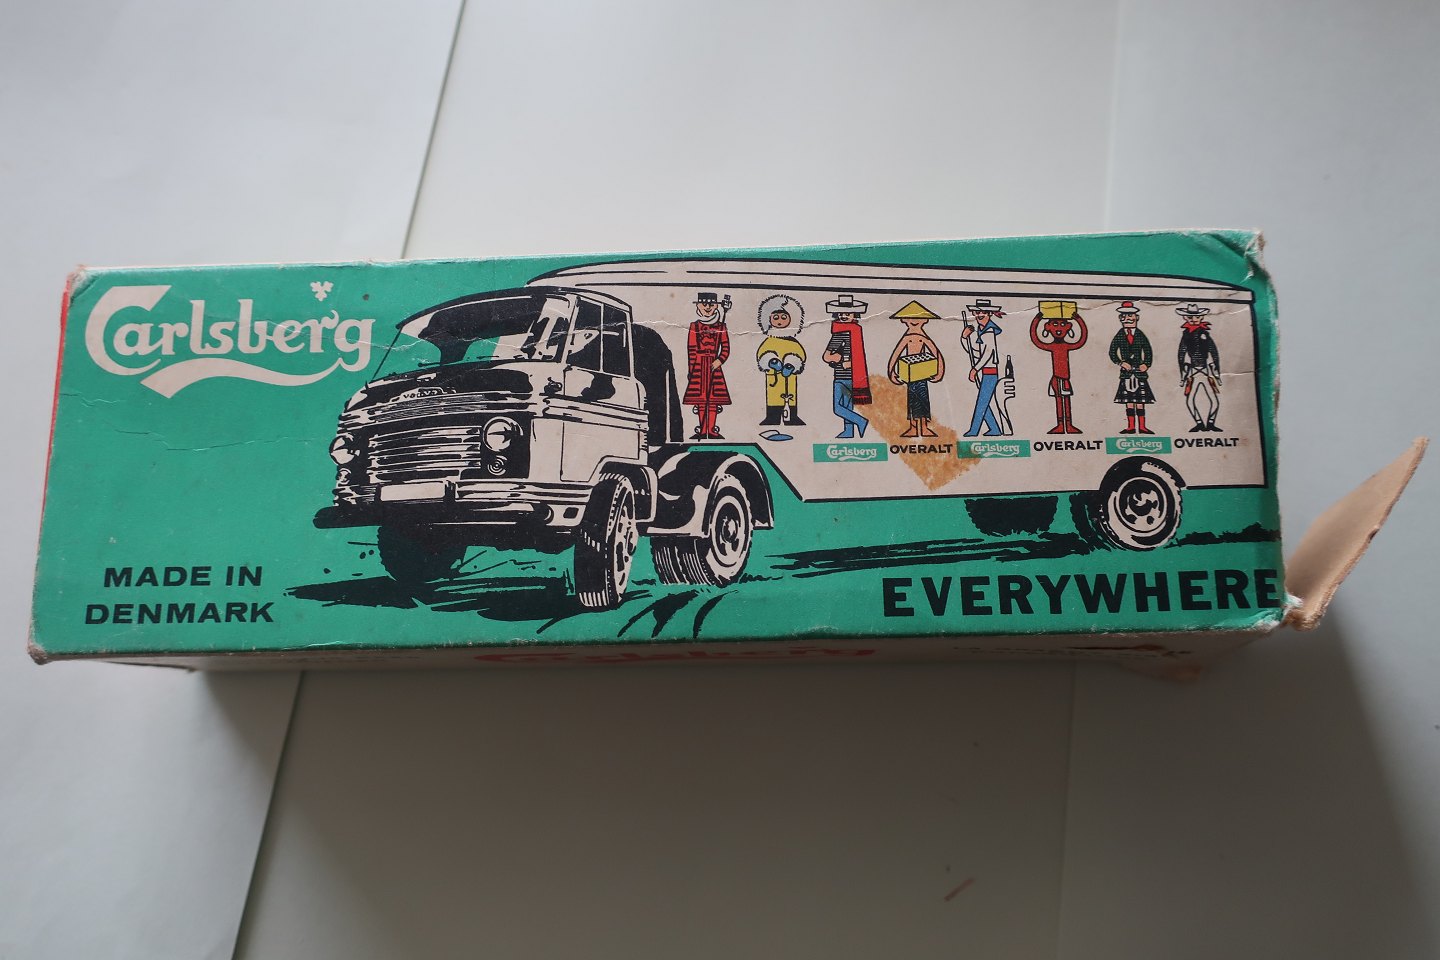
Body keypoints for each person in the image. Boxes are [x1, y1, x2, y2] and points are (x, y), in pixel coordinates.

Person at [887, 300, 946, 438]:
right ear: (904, 320)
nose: (914, 321)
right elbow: (896, 354)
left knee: (923, 400)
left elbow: (936, 353)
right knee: (912, 401)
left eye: (918, 317)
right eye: (910, 318)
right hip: (909, 375)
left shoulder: (923, 338)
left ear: (925, 320)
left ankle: (924, 427)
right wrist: (891, 372)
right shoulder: (907, 338)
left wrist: (940, 371)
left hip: (923, 374)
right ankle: (913, 428)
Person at [1029, 302, 1088, 434]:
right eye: (1055, 324)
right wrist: (1037, 319)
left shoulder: (1067, 346)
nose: (1059, 328)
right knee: (1059, 400)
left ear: (1068, 327)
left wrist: (1078, 319)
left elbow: (1082, 340)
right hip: (1056, 379)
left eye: (1062, 324)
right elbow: (1036, 339)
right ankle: (1061, 425)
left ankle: (1069, 425)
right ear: (1048, 327)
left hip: (1065, 379)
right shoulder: (1052, 346)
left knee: (1066, 401)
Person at [821, 294, 872, 438]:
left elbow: (827, 356)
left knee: (838, 408)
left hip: (843, 378)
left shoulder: (840, 333)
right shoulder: (855, 331)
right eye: (841, 313)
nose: (843, 316)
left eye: (847, 313)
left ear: (855, 315)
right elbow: (830, 356)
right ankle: (849, 431)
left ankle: (860, 421)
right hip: (850, 377)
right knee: (846, 406)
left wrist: (839, 359)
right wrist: (841, 360)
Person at [682, 292, 732, 440]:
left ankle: (712, 430)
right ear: (698, 306)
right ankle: (703, 430)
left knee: (713, 399)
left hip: (714, 365)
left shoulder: (721, 326)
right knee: (701, 399)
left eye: (711, 305)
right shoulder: (694, 326)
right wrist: (691, 370)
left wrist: (719, 360)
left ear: (716, 306)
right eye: (704, 304)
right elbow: (691, 350)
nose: (708, 307)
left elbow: (726, 348)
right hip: (699, 365)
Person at [755, 294, 807, 426]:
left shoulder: (793, 342)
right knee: (773, 398)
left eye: (784, 317)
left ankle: (792, 417)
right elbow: (762, 354)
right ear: (768, 319)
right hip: (773, 377)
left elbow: (800, 356)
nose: (779, 321)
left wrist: (791, 364)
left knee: (791, 397)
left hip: (789, 378)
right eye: (776, 317)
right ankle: (772, 417)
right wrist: (771, 361)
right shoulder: (769, 341)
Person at [960, 299, 1007, 437]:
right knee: (984, 403)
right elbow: (974, 352)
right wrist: (964, 338)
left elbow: (988, 353)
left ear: (990, 313)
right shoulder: (981, 330)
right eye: (977, 312)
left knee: (981, 403)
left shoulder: (989, 330)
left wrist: (975, 369)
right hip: (985, 372)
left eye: (984, 312)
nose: (980, 315)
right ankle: (995, 429)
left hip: (991, 373)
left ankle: (974, 430)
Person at [1108, 300, 1155, 434]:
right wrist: (1121, 363)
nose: (1127, 319)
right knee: (1128, 402)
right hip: (1126, 373)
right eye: (1124, 316)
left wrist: (1146, 364)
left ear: (1136, 317)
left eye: (1130, 316)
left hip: (1139, 373)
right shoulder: (1120, 335)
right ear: (1120, 318)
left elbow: (1148, 351)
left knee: (1140, 402)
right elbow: (1112, 352)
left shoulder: (1140, 335)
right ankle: (1130, 427)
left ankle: (1142, 427)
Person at [1176, 302, 1221, 432]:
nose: (1194, 319)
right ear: (1185, 318)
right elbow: (1181, 353)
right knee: (1190, 401)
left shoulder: (1205, 333)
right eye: (1190, 317)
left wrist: (1216, 371)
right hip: (1193, 372)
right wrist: (1183, 373)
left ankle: (1211, 423)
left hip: (1206, 371)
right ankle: (1199, 423)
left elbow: (1213, 351)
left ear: (1201, 317)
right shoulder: (1185, 335)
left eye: (1197, 317)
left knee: (1214, 400)